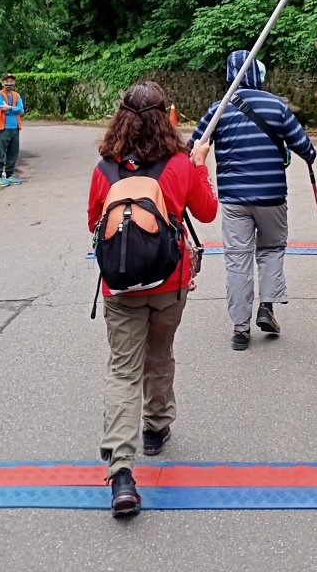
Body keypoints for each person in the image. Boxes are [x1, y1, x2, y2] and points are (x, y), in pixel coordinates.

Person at [87, 80, 217, 517]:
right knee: (160, 352)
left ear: (120, 117)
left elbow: (93, 221)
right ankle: (156, 426)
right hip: (170, 282)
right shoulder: (179, 164)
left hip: (119, 288)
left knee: (124, 370)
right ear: (168, 117)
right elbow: (207, 212)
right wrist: (199, 166)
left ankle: (121, 473)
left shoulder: (105, 168)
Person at [191, 50, 316, 351]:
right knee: (272, 249)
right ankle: (267, 307)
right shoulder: (277, 106)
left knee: (238, 259)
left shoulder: (217, 110)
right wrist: (302, 155)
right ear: (257, 74)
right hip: (272, 197)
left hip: (234, 199)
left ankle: (240, 329)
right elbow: (305, 148)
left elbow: (193, 147)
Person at [0, 73, 24, 186]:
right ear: (2, 83)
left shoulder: (16, 95)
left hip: (15, 127)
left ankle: (9, 175)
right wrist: (14, 109)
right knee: (1, 152)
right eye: (7, 81)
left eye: (11, 82)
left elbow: (21, 110)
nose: (9, 84)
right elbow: (3, 108)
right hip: (3, 128)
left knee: (13, 152)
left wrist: (10, 107)